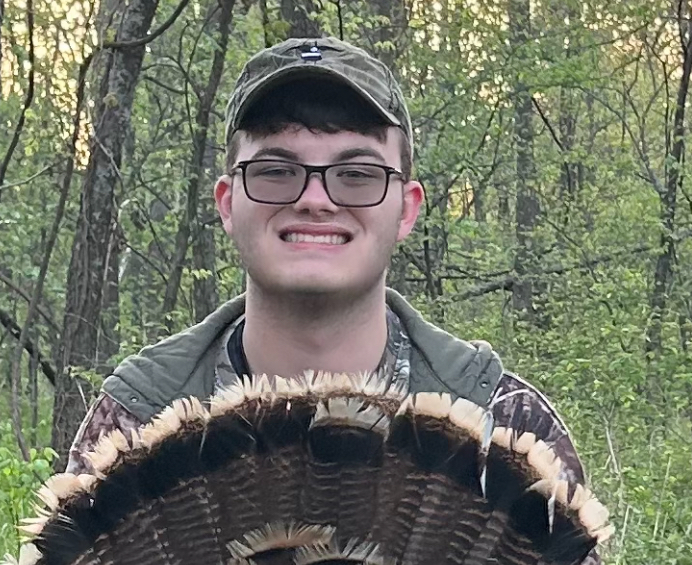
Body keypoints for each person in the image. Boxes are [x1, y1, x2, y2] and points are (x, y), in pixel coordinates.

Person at [66, 34, 586, 482]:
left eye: (357, 175)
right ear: (227, 203)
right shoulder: (138, 424)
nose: (315, 200)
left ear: (407, 210)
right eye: (275, 171)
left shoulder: (502, 426)